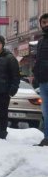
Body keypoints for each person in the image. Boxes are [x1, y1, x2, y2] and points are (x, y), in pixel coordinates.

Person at [32, 13, 48, 146]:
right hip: (43, 82)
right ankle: (47, 138)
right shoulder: (41, 40)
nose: (46, 24)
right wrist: (36, 74)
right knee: (46, 112)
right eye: (43, 22)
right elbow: (38, 60)